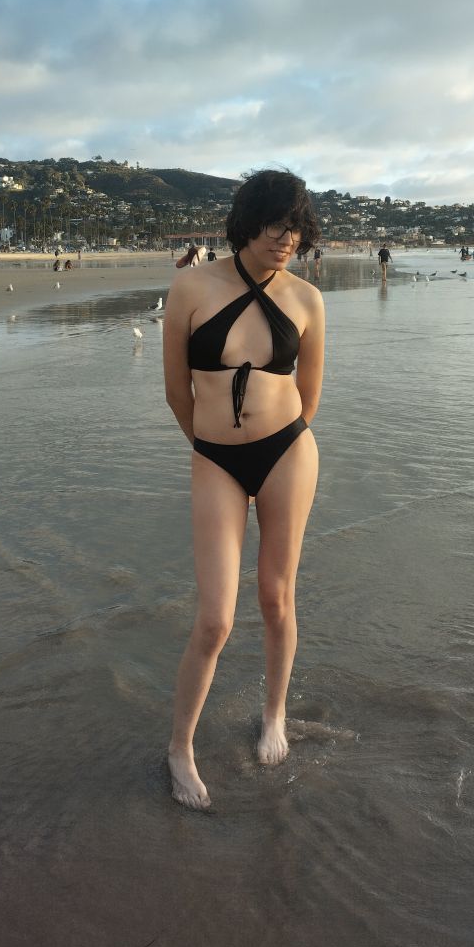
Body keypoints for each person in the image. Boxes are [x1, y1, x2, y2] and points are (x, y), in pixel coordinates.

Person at [163, 169, 325, 810]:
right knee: (215, 619)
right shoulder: (191, 286)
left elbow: (310, 394)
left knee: (277, 597)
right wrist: (210, 447)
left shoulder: (309, 300)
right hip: (216, 460)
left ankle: (274, 715)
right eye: (274, 224)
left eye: (295, 227)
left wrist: (279, 441)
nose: (285, 238)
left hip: (287, 451)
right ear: (246, 222)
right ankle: (180, 747)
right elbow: (178, 390)